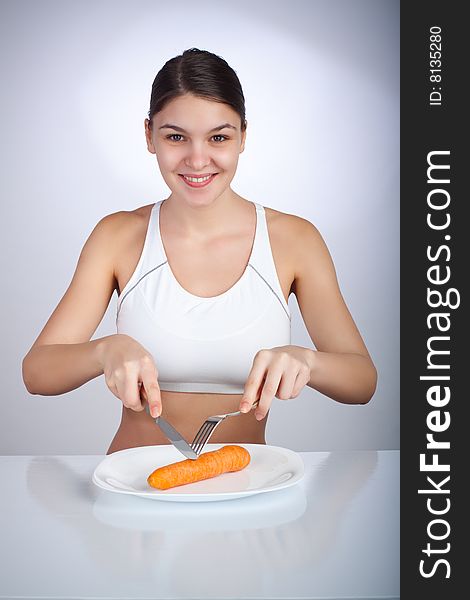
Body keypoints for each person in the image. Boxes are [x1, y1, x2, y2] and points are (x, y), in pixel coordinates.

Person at [22, 48, 377, 454]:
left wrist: (309, 362)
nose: (197, 159)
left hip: (245, 487)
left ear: (243, 136)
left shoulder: (295, 240)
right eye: (176, 136)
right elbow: (37, 373)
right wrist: (103, 351)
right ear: (149, 136)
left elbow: (362, 381)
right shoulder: (117, 236)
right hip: (134, 487)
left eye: (219, 137)